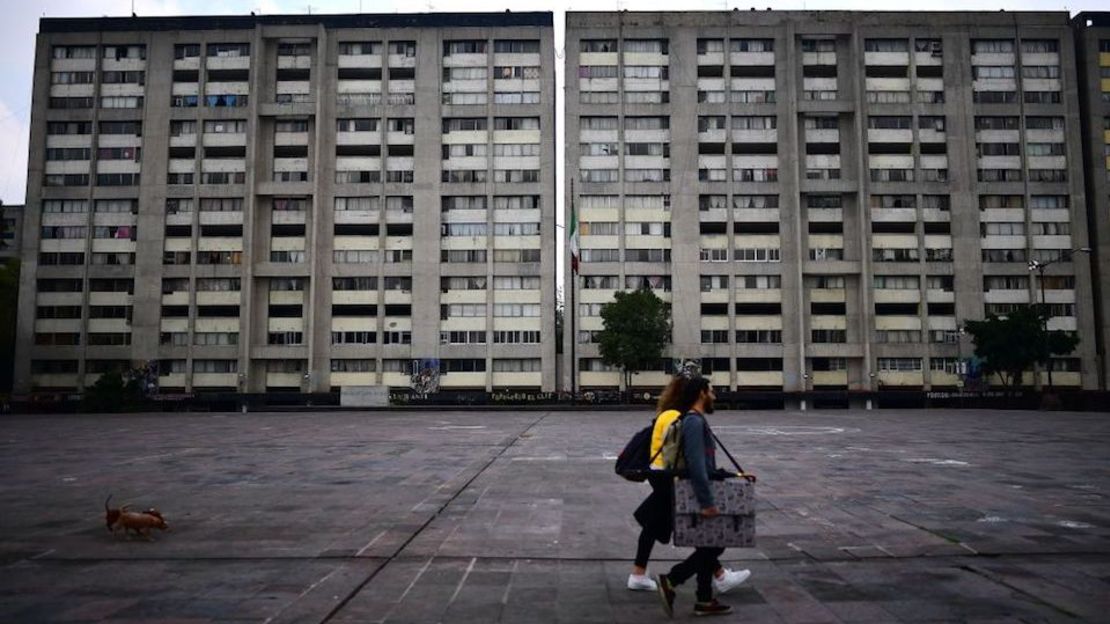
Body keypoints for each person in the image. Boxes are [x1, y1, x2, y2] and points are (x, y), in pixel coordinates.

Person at [627, 374, 750, 597]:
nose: (713, 394)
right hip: (671, 479)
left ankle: (707, 586)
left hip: (661, 476)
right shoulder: (681, 418)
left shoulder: (667, 415)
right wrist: (705, 490)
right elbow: (688, 457)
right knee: (704, 536)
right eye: (709, 390)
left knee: (655, 525)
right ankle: (705, 579)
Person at [655, 376, 744, 617]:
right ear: (702, 393)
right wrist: (706, 502)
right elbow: (696, 464)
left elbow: (704, 463)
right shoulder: (694, 422)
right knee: (716, 544)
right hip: (698, 493)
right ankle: (672, 579)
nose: (714, 396)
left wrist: (731, 474)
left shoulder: (693, 420)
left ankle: (704, 599)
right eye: (712, 391)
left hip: (697, 489)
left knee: (708, 543)